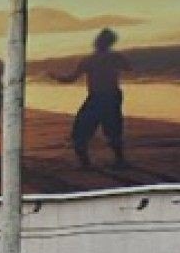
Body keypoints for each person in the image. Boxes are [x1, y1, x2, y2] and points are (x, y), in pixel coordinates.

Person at [55, 27, 131, 167]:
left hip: (99, 97)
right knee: (112, 128)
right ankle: (118, 159)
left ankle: (88, 162)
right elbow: (128, 67)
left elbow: (71, 79)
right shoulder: (113, 57)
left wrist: (56, 77)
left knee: (82, 129)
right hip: (111, 95)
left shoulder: (90, 60)